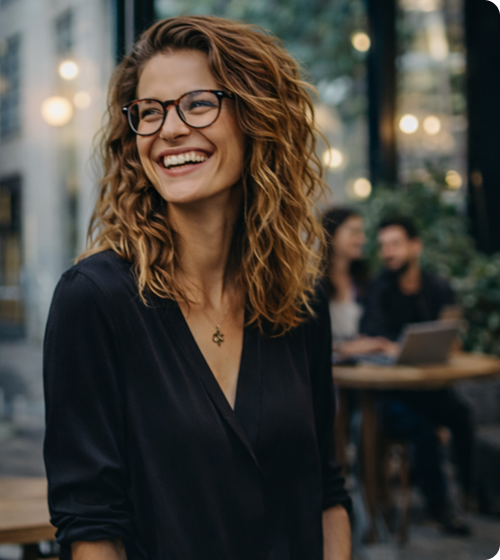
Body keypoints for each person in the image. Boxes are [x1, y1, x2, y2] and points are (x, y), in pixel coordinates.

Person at [43, 16, 351, 560]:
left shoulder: (300, 299)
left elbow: (326, 492)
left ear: (255, 118)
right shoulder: (94, 299)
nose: (169, 129)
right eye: (150, 111)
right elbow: (91, 527)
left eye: (199, 104)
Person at [361, 216, 474, 535]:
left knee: (462, 416)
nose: (387, 252)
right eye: (383, 246)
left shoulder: (436, 285)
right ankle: (439, 508)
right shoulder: (379, 288)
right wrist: (390, 345)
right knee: (423, 430)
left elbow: (450, 330)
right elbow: (373, 332)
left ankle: (470, 494)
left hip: (430, 389)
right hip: (393, 395)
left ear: (415, 246)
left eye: (394, 244)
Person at [322, 207, 392, 359]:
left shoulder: (365, 282)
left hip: (358, 365)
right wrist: (343, 347)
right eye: (354, 232)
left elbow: (374, 328)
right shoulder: (312, 283)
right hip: (324, 366)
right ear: (331, 235)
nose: (362, 239)